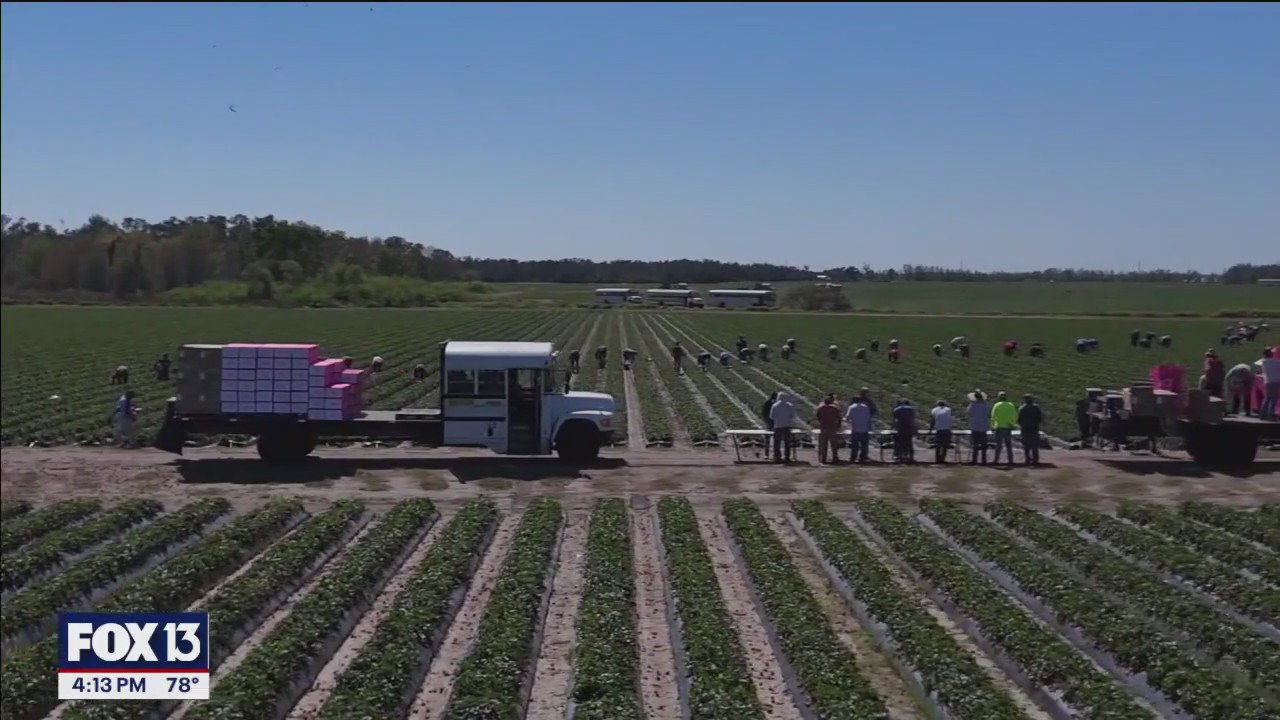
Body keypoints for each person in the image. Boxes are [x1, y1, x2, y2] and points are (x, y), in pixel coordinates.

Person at [990, 392, 1018, 464]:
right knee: (1008, 445)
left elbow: (993, 416)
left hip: (999, 427)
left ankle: (996, 460)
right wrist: (1013, 424)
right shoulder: (1011, 405)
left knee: (998, 445)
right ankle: (1010, 460)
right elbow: (1014, 416)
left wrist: (992, 426)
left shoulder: (997, 405)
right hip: (1008, 427)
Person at [769, 392, 797, 463]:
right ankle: (787, 457)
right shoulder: (789, 405)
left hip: (778, 426)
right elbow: (792, 415)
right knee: (787, 442)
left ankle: (777, 457)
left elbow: (771, 416)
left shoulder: (775, 406)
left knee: (777, 442)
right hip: (787, 426)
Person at [845, 394, 873, 463]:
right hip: (865, 428)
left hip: (855, 428)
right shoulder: (866, 407)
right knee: (864, 445)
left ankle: (853, 458)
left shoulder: (851, 407)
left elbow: (847, 417)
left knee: (855, 445)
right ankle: (862, 458)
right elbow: (869, 418)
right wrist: (870, 427)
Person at [816, 394, 842, 464]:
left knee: (823, 444)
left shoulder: (820, 408)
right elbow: (839, 417)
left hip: (824, 427)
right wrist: (838, 425)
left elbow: (818, 417)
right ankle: (835, 457)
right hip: (832, 427)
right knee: (834, 444)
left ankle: (823, 458)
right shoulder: (835, 409)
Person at [1018, 395, 1043, 465]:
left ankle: (1027, 459)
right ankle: (1035, 459)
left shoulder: (1022, 408)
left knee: (1026, 445)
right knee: (1034, 445)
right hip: (1034, 428)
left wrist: (1022, 425)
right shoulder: (1036, 407)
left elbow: (1019, 420)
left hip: (1025, 429)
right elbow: (1040, 417)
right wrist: (1037, 424)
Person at [966, 391, 990, 464]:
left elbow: (968, 412)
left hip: (975, 426)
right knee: (983, 445)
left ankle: (974, 460)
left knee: (975, 444)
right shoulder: (986, 405)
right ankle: (983, 460)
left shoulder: (973, 405)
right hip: (983, 426)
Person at [1262, 348, 1280, 420]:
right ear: (1271, 354)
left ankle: (1263, 415)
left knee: (1267, 399)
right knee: (1273, 399)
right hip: (1275, 382)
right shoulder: (1276, 362)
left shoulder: (1264, 362)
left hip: (1267, 382)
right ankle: (1270, 415)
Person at [761, 391, 778, 458]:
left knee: (768, 438)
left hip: (769, 422)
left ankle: (767, 454)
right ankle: (774, 454)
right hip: (773, 422)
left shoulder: (767, 403)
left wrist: (766, 420)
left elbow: (763, 413)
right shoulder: (775, 404)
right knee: (775, 439)